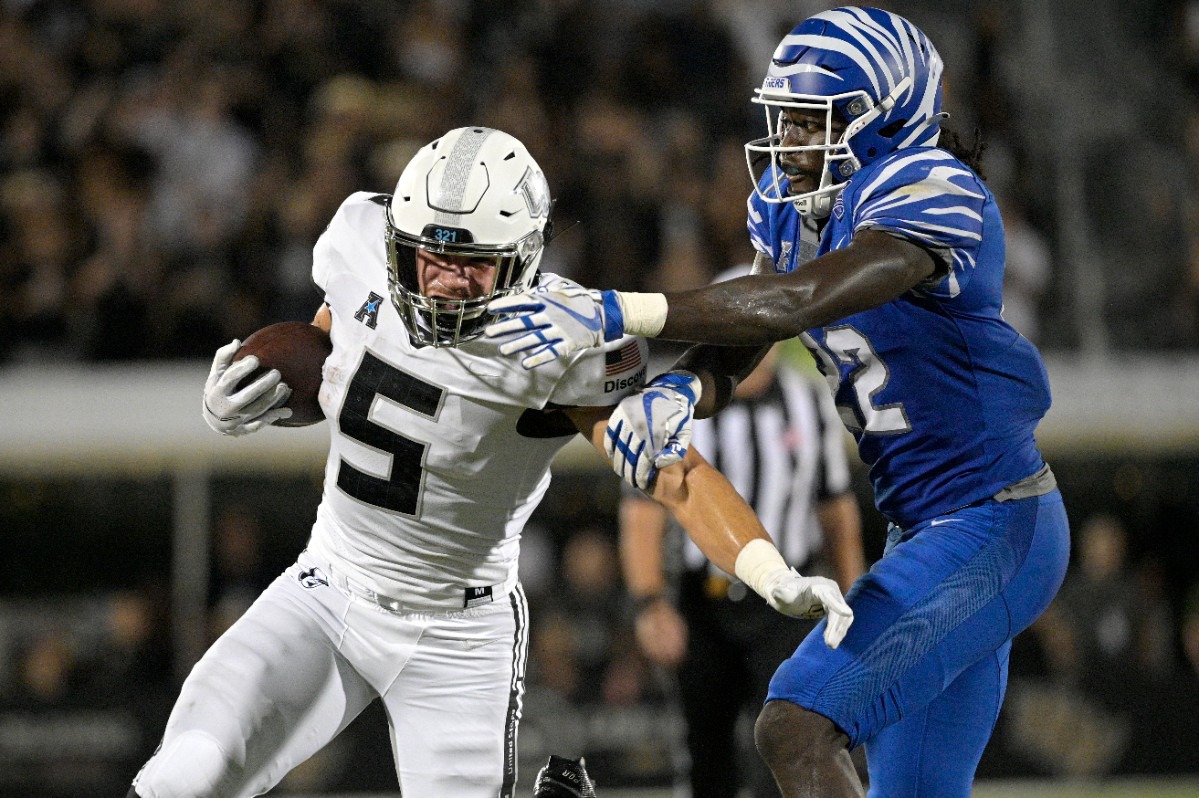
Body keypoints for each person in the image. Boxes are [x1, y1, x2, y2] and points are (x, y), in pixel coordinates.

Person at [128, 126, 852, 798]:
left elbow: (673, 471)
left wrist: (769, 571)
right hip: (326, 590)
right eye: (430, 256)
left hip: (459, 637)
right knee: (183, 776)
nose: (443, 279)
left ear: (522, 257)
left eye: (471, 263)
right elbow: (335, 356)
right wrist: (255, 403)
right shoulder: (358, 239)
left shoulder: (561, 339)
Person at [486, 7, 1071, 797]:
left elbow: (797, 301)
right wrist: (685, 386)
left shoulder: (932, 189)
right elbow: (752, 330)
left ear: (886, 118)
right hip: (927, 527)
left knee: (794, 725)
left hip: (994, 520)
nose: (790, 144)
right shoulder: (798, 205)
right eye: (786, 121)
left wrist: (624, 310)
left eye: (813, 123)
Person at [620, 331, 865, 798]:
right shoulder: (676, 403)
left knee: (791, 734)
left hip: (791, 602)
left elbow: (837, 510)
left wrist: (855, 597)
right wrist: (650, 602)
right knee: (704, 750)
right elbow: (644, 508)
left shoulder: (807, 401)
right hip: (705, 598)